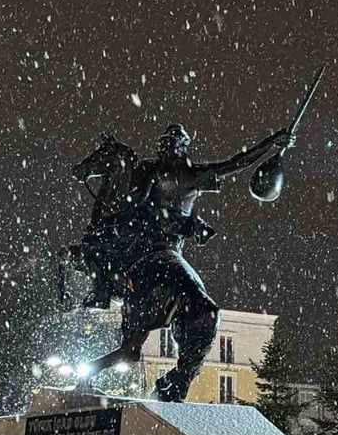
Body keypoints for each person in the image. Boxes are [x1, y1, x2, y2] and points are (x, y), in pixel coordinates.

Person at [81, 123, 291, 402]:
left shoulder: (192, 176)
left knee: (201, 313)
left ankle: (175, 382)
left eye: (173, 143)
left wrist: (272, 145)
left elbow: (236, 164)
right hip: (146, 253)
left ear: (183, 147)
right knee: (100, 252)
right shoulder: (148, 171)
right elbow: (118, 171)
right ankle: (100, 299)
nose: (166, 148)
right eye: (164, 143)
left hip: (167, 255)